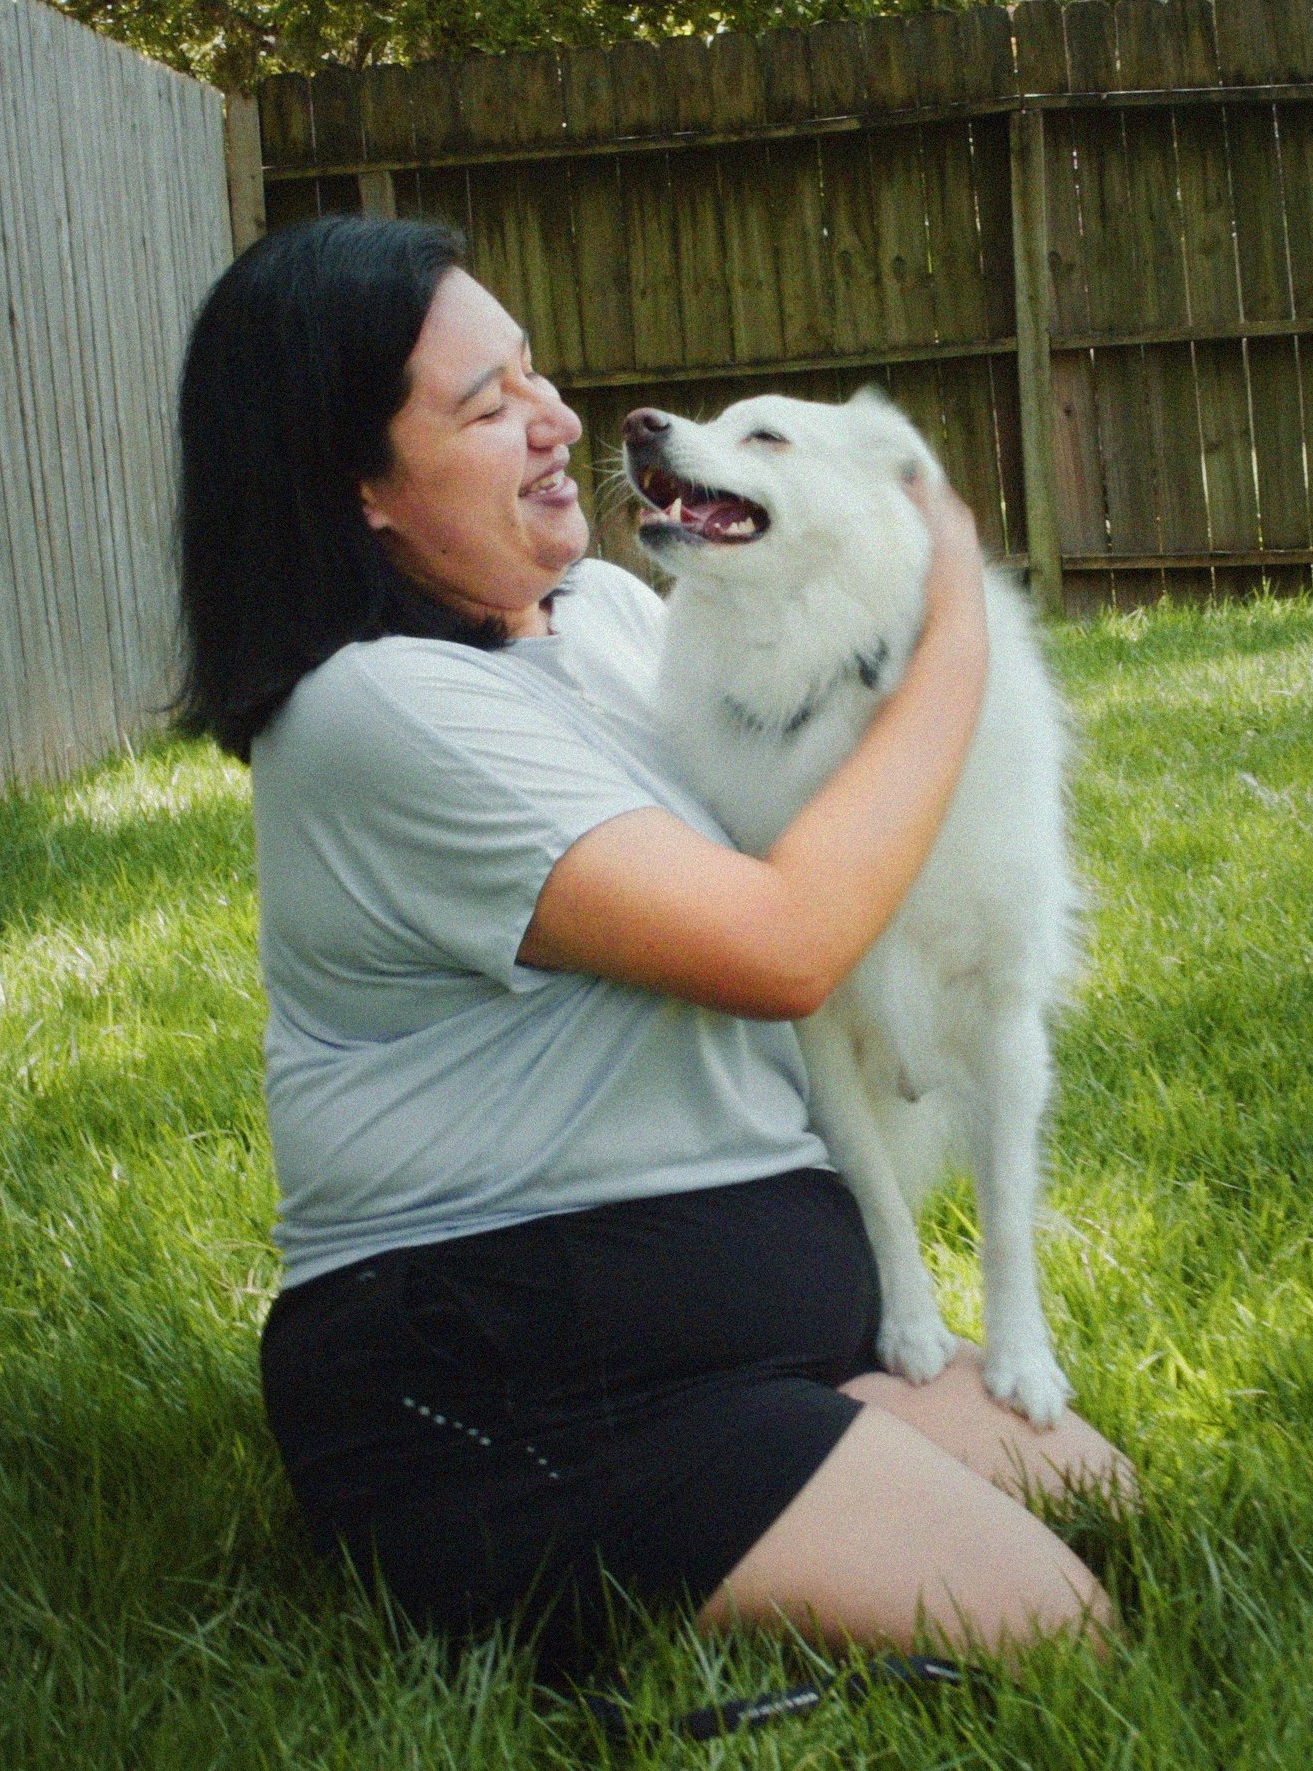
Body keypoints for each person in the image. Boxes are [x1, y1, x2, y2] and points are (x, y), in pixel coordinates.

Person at [177, 213, 1133, 1680]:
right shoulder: (373, 712)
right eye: (487, 407)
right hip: (512, 1377)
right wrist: (963, 625)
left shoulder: (612, 618)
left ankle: (799, 1466)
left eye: (535, 374)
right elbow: (790, 940)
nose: (557, 420)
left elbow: (845, 767)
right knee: (1057, 1629)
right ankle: (553, 1589)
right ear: (358, 488)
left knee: (1103, 1501)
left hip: (730, 1344)